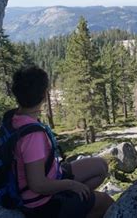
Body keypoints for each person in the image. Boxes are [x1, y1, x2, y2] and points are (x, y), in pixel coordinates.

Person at [10, 66, 113, 217]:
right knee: (106, 202)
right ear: (44, 95)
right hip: (41, 202)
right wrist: (71, 185)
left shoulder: (15, 118)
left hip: (52, 176)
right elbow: (37, 184)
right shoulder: (32, 136)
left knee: (101, 166)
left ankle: (77, 202)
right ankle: (76, 205)